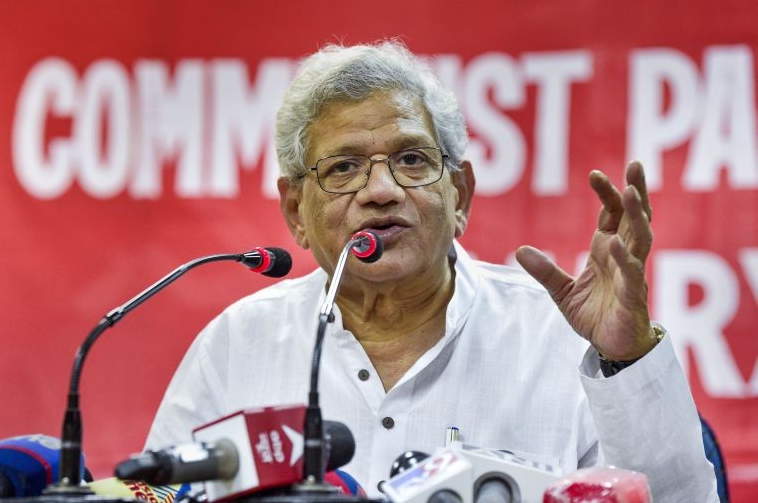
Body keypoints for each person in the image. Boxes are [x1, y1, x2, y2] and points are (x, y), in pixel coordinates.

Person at [145, 41, 718, 501]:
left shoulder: (561, 338)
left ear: (460, 194)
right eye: (344, 168)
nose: (382, 191)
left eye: (411, 160)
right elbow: (160, 493)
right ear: (296, 210)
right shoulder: (237, 346)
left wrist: (628, 358)